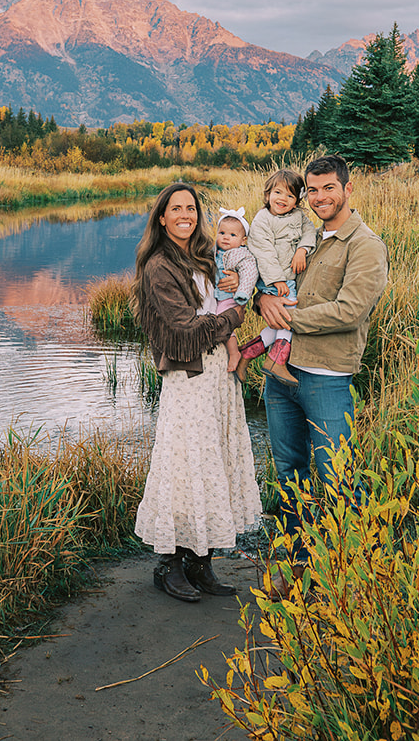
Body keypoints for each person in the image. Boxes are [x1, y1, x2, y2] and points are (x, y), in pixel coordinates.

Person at [254, 155, 388, 589]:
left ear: (348, 189)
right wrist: (261, 301)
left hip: (327, 378)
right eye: (312, 190)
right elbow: (264, 277)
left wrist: (286, 319)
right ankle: (296, 564)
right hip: (281, 377)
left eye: (329, 187)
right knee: (289, 472)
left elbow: (350, 311)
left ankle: (349, 573)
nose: (320, 197)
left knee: (336, 477)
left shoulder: (365, 245)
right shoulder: (300, 232)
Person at [132, 182, 263, 602]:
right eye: (176, 209)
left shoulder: (208, 256)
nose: (185, 215)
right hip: (188, 379)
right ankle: (169, 566)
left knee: (212, 463)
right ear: (162, 217)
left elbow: (236, 288)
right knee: (183, 464)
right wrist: (234, 320)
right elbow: (184, 330)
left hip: (219, 380)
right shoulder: (158, 266)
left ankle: (201, 562)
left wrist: (244, 296)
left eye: (191, 208)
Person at [244, 169, 318, 384]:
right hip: (275, 282)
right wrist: (277, 280)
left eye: (290, 195)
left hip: (287, 279)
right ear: (268, 195)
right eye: (278, 192)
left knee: (278, 325)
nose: (282, 199)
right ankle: (277, 361)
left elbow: (309, 232)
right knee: (289, 320)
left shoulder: (300, 217)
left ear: (297, 200)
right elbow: (262, 252)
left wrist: (302, 250)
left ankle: (247, 353)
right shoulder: (262, 220)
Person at [212, 208, 261, 377]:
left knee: (222, 321)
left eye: (233, 235)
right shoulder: (216, 251)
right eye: (222, 233)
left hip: (232, 297)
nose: (226, 237)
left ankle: (234, 353)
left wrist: (243, 293)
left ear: (242, 240)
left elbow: (249, 273)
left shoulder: (240, 254)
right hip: (219, 296)